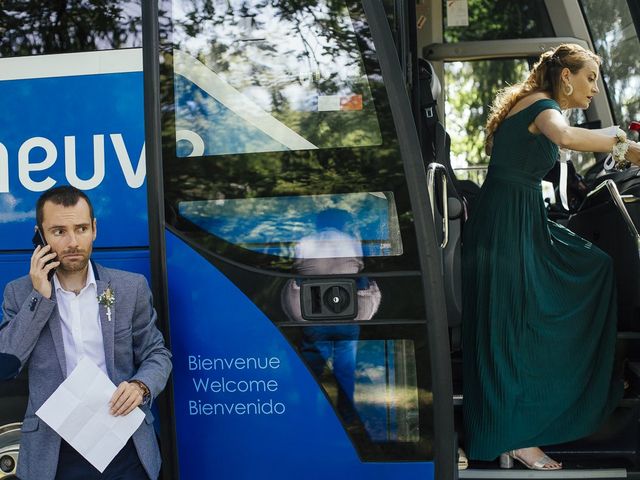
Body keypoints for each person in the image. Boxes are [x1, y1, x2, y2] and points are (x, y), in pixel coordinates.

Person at [461, 43, 640, 471]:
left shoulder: (535, 104)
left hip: (518, 215)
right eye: (590, 78)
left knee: (594, 266)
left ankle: (587, 383)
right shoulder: (543, 106)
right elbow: (566, 137)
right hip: (508, 220)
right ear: (566, 77)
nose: (594, 89)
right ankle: (517, 435)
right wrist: (621, 142)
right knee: (513, 324)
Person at [0, 185, 172, 480]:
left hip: (124, 446)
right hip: (55, 455)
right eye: (58, 232)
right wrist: (39, 297)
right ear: (40, 235)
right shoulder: (19, 294)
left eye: (80, 228)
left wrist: (140, 387)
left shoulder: (130, 288)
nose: (72, 242)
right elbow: (6, 364)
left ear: (94, 228)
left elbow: (157, 354)